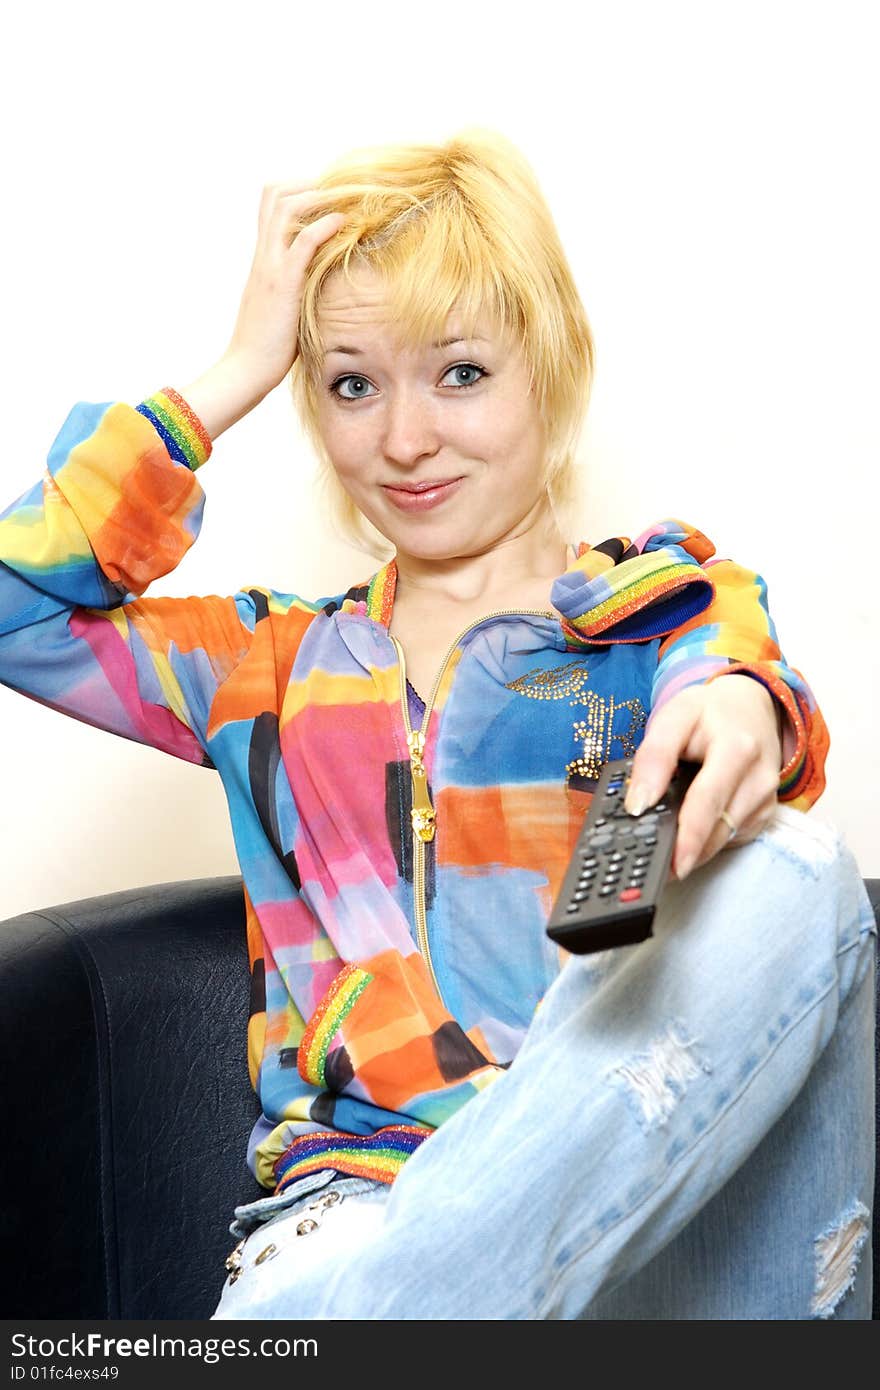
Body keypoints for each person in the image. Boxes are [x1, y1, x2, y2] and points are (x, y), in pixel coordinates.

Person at [0, 129, 874, 1321]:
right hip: (348, 1227)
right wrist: (234, 372)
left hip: (633, 1237)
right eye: (351, 382)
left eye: (459, 372)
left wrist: (735, 706)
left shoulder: (664, 612)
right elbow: (14, 608)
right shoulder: (262, 663)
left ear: (549, 366)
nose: (403, 441)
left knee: (797, 870)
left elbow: (735, 688)